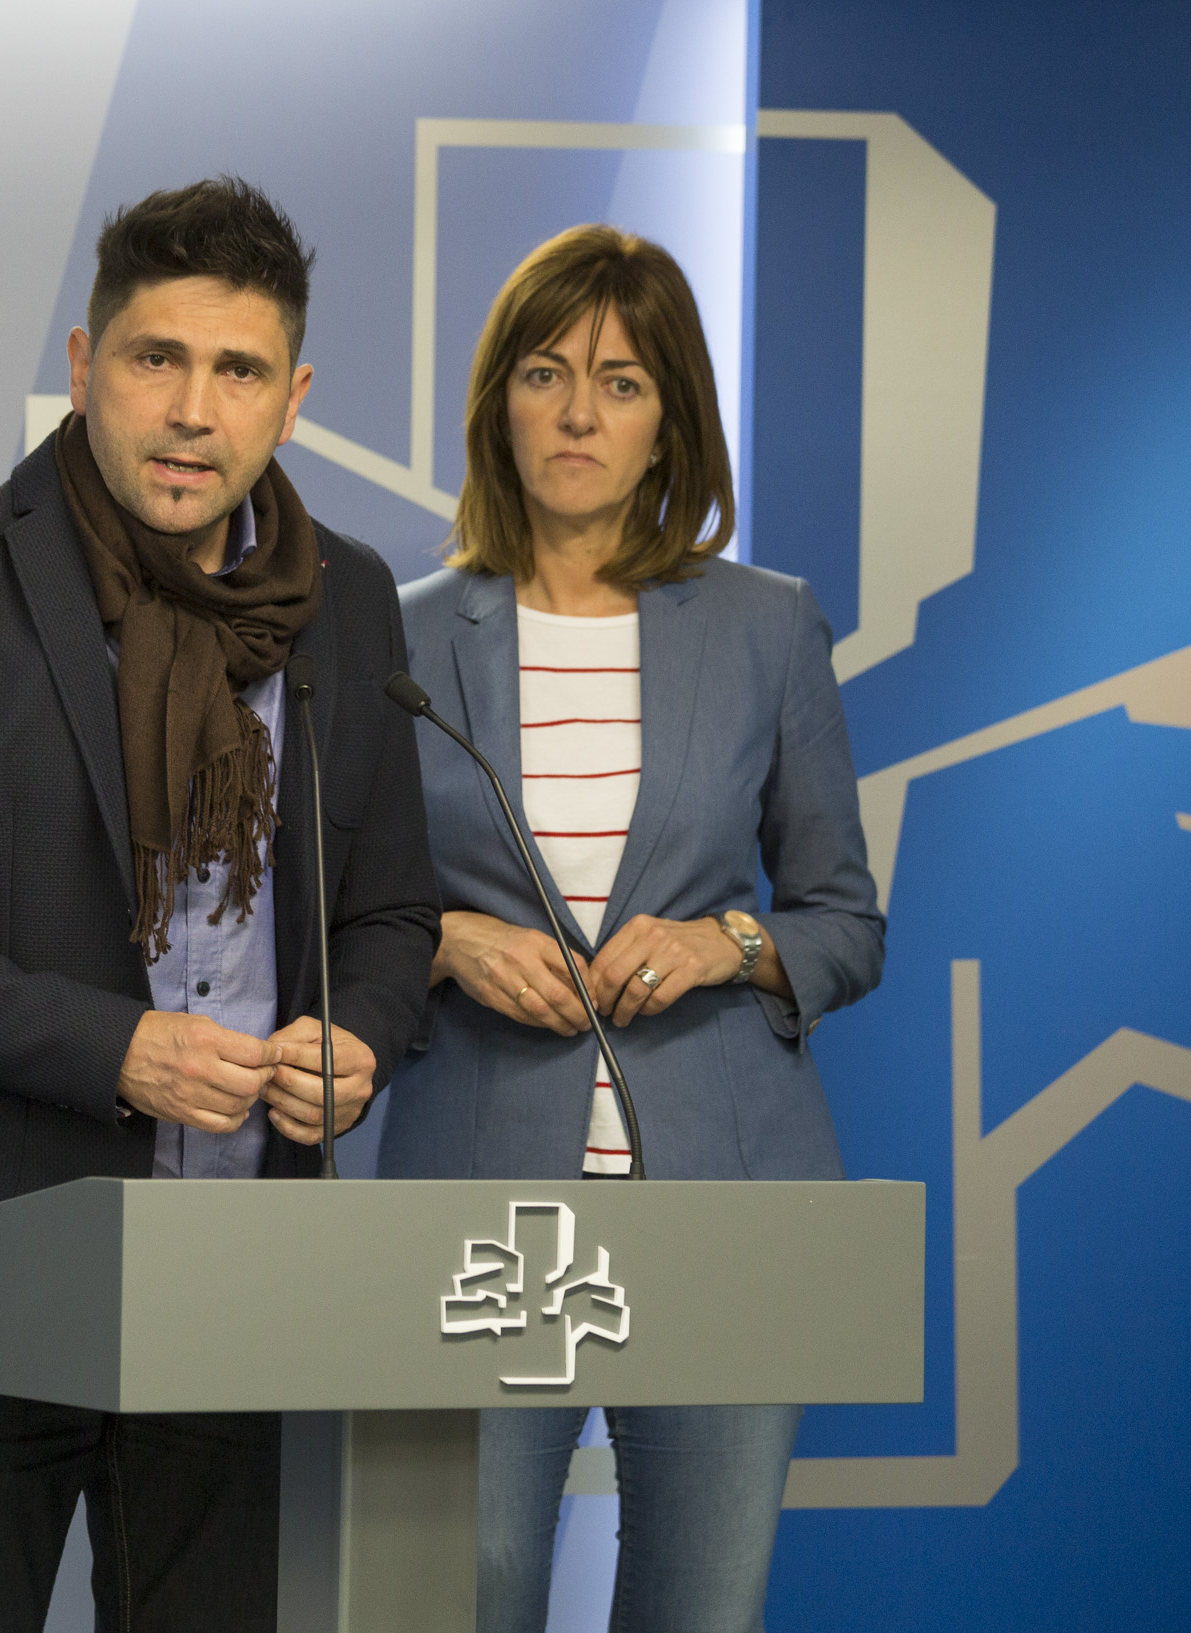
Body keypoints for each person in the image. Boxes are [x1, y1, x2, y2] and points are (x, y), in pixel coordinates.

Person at [0, 178, 438, 1633]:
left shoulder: (348, 602)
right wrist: (118, 1049)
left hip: (241, 1271)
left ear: (292, 401)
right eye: (158, 359)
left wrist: (358, 1037)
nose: (194, 410)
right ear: (85, 367)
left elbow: (393, 912)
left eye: (240, 370)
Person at [380, 224, 886, 1630]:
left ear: (672, 417)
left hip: (725, 1201)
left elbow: (843, 920)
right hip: (482, 1206)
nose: (578, 414)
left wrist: (731, 945)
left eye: (620, 382)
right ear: (499, 401)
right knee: (462, 1591)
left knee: (701, 1609)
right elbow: (339, 915)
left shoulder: (768, 627)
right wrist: (443, 942)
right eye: (545, 374)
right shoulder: (392, 635)